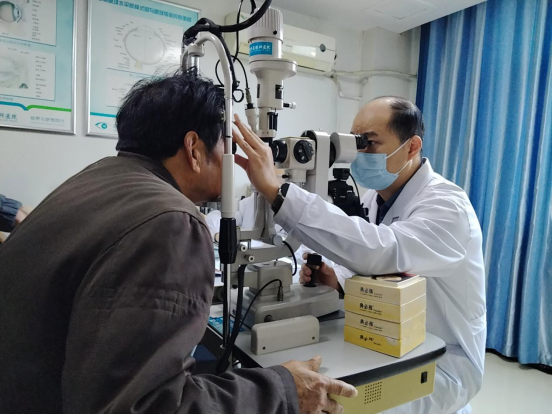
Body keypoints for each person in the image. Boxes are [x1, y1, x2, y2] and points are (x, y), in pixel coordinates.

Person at [0, 71, 357, 414]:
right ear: (193, 149)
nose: (233, 161)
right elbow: (148, 407)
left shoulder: (93, 181)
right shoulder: (171, 221)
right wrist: (282, 390)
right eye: (227, 145)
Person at [232, 96, 486, 414]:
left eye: (369, 142)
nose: (358, 153)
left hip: (440, 361)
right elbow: (367, 260)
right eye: (355, 142)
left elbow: (382, 250)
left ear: (411, 147)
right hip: (385, 340)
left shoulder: (447, 206)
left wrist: (279, 192)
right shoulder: (373, 200)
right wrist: (337, 280)